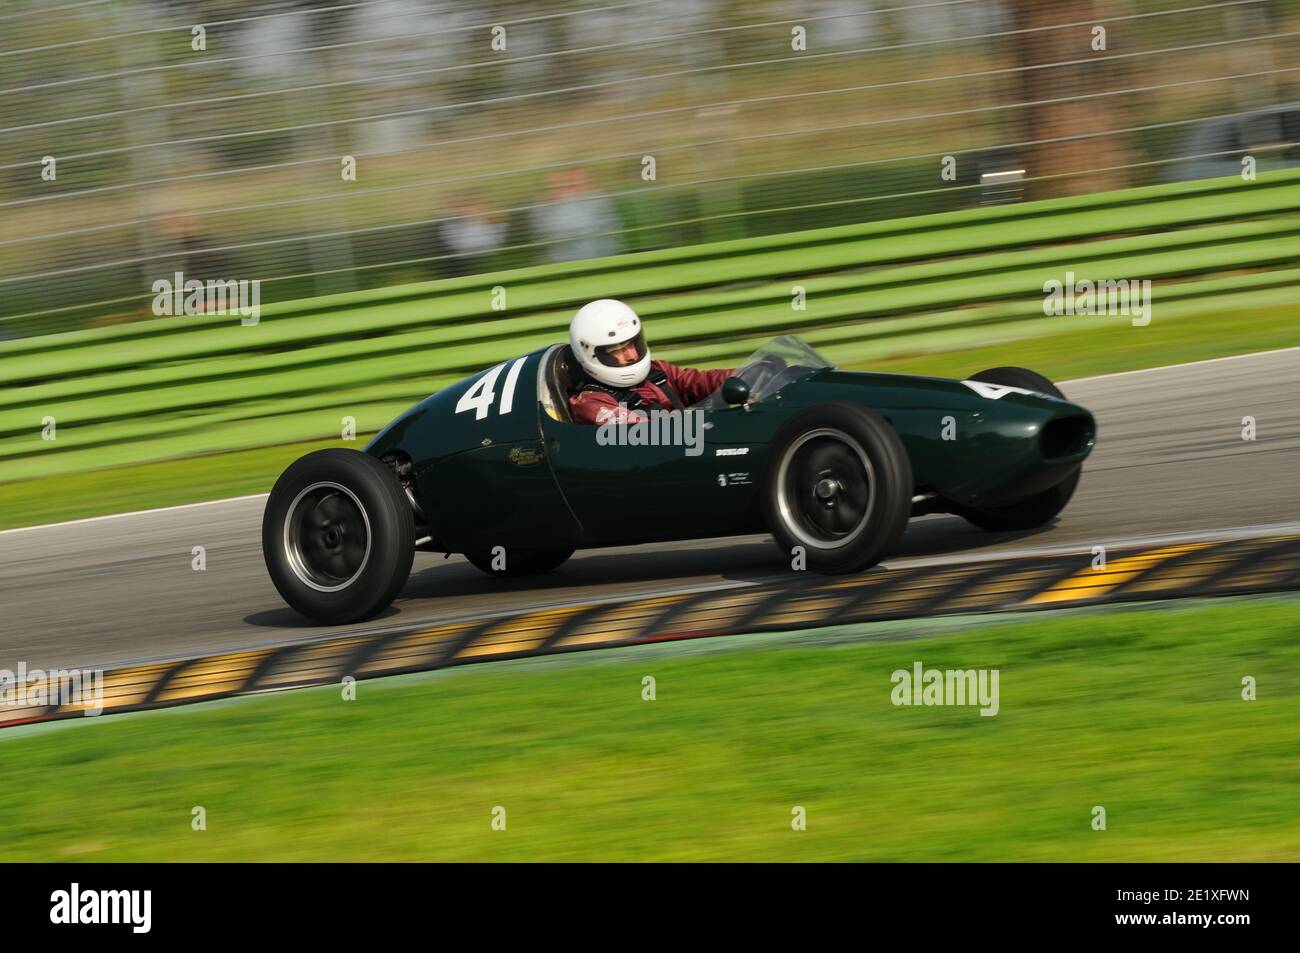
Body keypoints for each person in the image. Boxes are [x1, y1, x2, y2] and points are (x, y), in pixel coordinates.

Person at [567, 299, 734, 425]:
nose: (632, 355)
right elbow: (641, 432)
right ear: (589, 354)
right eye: (617, 350)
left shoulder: (656, 372)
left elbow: (698, 382)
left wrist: (746, 375)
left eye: (633, 344)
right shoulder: (591, 402)